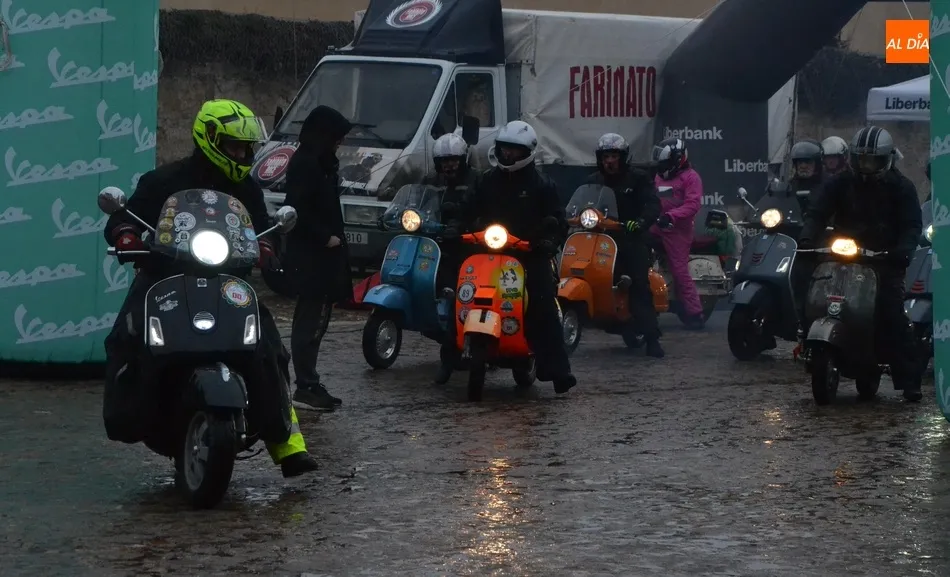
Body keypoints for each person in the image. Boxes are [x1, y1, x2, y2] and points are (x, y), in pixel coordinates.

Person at [102, 99, 319, 477]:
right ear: (211, 140)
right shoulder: (164, 181)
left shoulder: (246, 189)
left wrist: (268, 246)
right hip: (164, 277)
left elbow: (263, 226)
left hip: (228, 284)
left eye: (245, 148)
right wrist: (125, 233)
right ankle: (129, 415)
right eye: (234, 146)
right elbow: (126, 214)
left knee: (268, 346)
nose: (241, 154)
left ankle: (286, 443)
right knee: (126, 335)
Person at [798, 126, 923, 402]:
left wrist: (902, 251)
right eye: (861, 159)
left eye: (872, 160)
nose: (866, 166)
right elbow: (818, 210)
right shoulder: (840, 182)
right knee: (806, 278)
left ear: (887, 159)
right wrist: (807, 237)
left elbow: (912, 225)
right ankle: (802, 332)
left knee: (892, 311)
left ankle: (910, 379)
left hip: (883, 258)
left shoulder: (901, 187)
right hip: (842, 251)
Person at [465, 120, 577, 393]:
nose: (508, 155)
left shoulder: (542, 184)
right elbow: (467, 209)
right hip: (488, 251)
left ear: (527, 152)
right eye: (504, 149)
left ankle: (557, 371)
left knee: (541, 301)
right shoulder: (485, 180)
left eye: (514, 151)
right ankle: (450, 353)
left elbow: (558, 218)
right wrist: (459, 224)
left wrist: (549, 239)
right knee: (460, 289)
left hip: (529, 253)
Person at [283, 105, 354, 411]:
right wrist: (325, 237)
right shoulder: (306, 164)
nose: (339, 144)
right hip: (313, 258)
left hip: (324, 258)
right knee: (309, 323)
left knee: (318, 321)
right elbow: (299, 209)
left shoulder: (322, 164)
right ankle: (305, 385)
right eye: (336, 138)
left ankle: (310, 381)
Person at [585, 133, 664, 357]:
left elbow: (652, 204)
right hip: (600, 239)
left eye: (613, 156)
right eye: (605, 156)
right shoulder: (593, 180)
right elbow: (581, 204)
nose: (609, 161)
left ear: (623, 157)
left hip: (629, 238)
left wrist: (639, 222)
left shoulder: (638, 178)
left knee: (639, 283)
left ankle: (652, 338)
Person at [426, 133, 477, 384]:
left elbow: (483, 211)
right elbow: (419, 202)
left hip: (468, 250)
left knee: (459, 297)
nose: (449, 165)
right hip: (437, 246)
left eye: (454, 160)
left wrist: (464, 226)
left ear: (463, 159)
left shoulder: (477, 182)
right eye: (444, 161)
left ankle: (450, 359)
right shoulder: (432, 182)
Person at [651, 137, 705, 329]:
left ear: (677, 159)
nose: (662, 166)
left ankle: (695, 312)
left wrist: (672, 216)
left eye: (666, 162)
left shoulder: (691, 178)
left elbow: (692, 205)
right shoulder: (658, 177)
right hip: (657, 225)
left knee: (679, 271)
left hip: (677, 230)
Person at [788, 139, 824, 214]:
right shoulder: (790, 186)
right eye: (800, 162)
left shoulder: (829, 185)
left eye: (808, 161)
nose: (803, 166)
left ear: (817, 164)